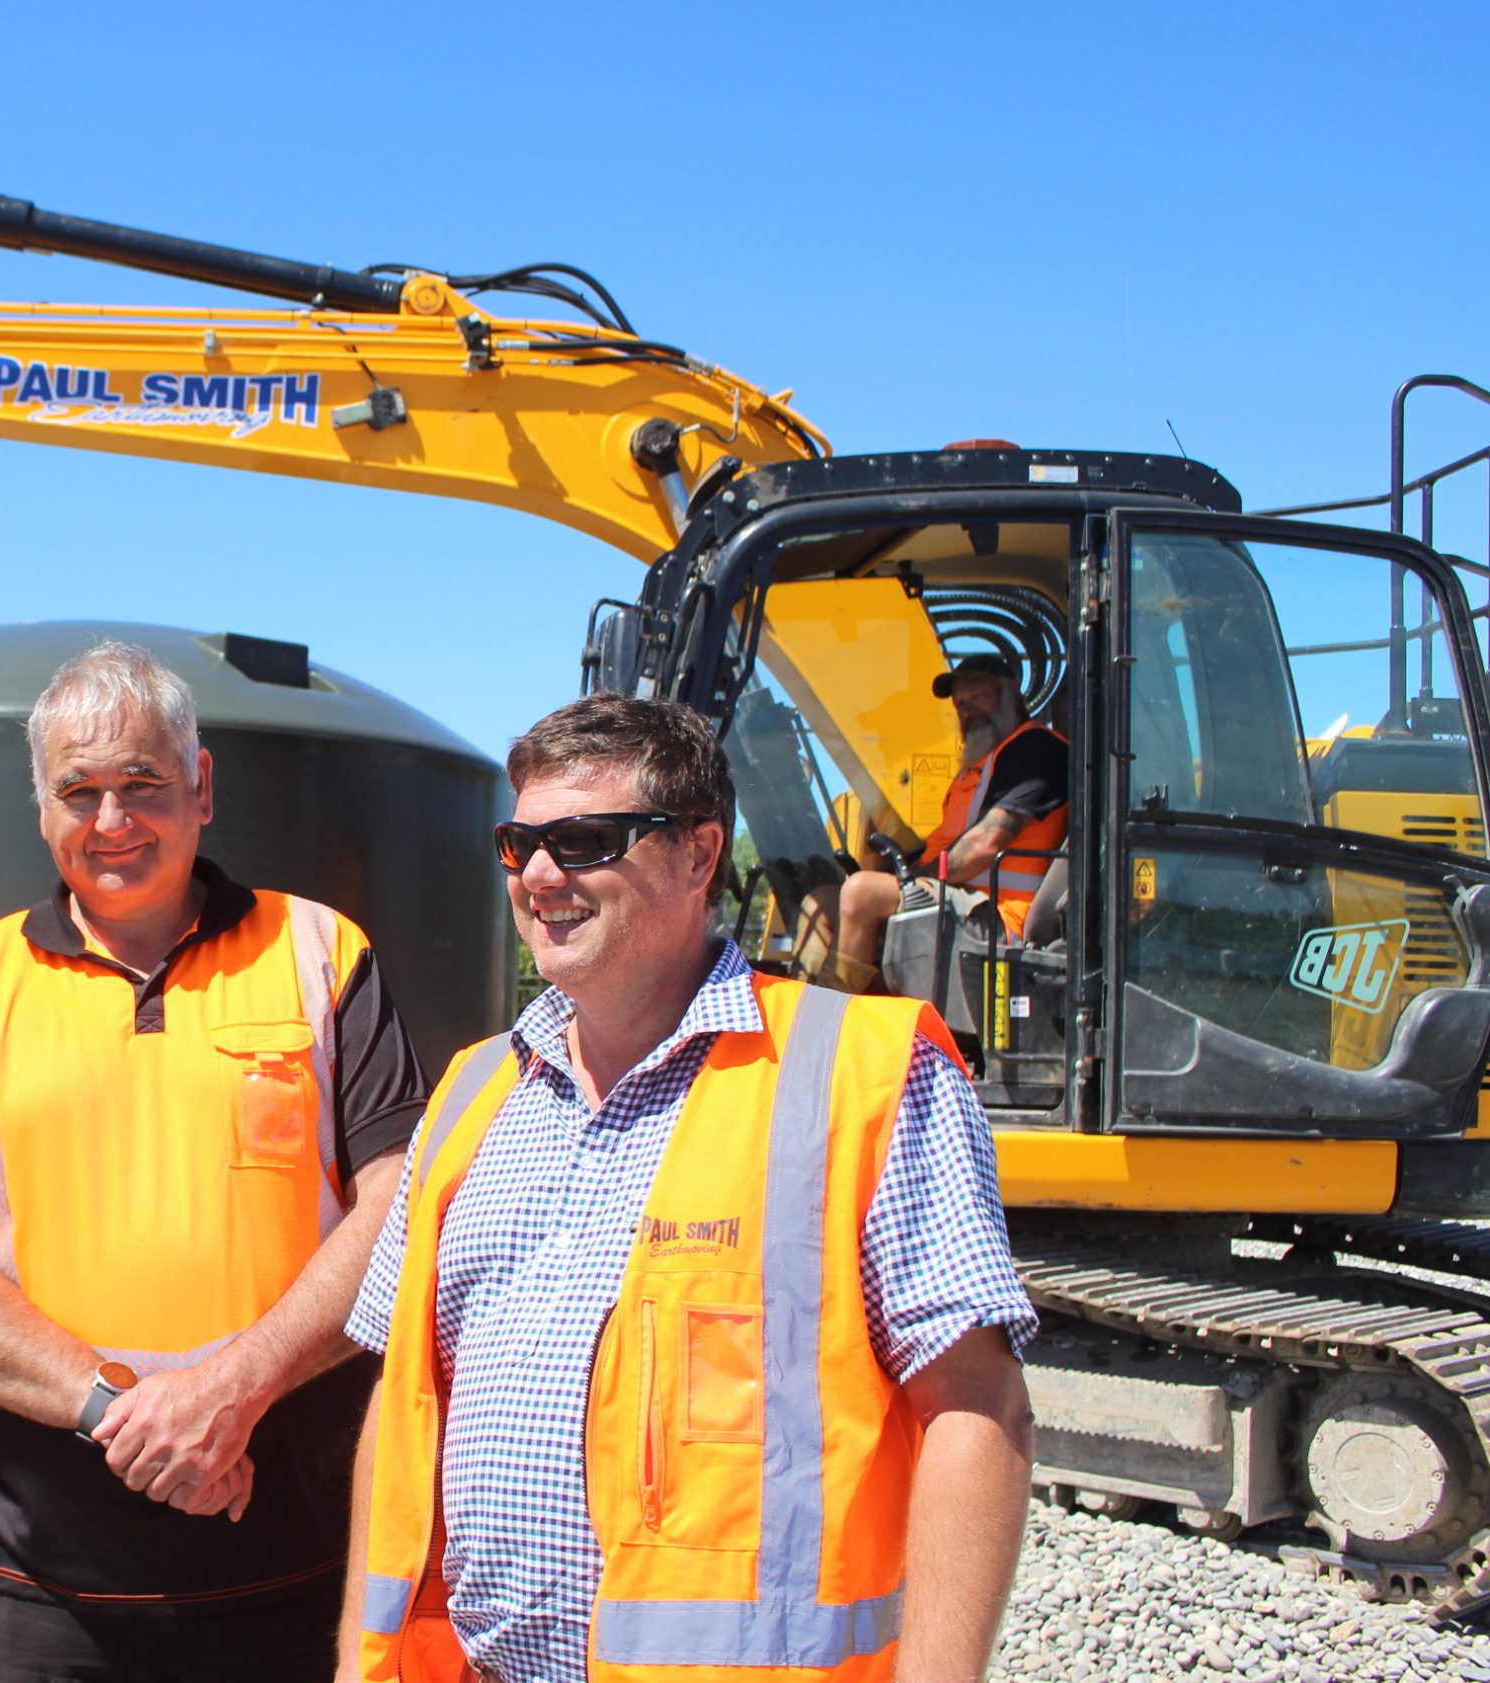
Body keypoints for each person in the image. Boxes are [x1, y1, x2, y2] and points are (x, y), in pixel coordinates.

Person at [341, 694, 1036, 1683]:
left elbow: (976, 1410)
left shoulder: (860, 1076)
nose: (539, 875)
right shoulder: (469, 1094)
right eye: (518, 843)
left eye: (583, 840)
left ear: (698, 855)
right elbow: (401, 1405)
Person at [0, 639, 430, 1683]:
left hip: (292, 1565)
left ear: (201, 787)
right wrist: (121, 1410)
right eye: (78, 790)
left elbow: (400, 1206)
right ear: (40, 808)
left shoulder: (318, 950)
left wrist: (236, 1388)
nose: (112, 821)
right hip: (42, 1583)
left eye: (143, 784)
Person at [795, 654, 1068, 993]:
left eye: (979, 697)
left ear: (1011, 691)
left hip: (1001, 914)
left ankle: (828, 1022)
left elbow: (986, 843)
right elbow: (946, 842)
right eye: (961, 704)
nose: (969, 711)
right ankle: (801, 1002)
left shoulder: (1038, 749)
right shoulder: (980, 764)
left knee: (861, 894)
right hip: (962, 898)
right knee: (821, 901)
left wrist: (910, 882)